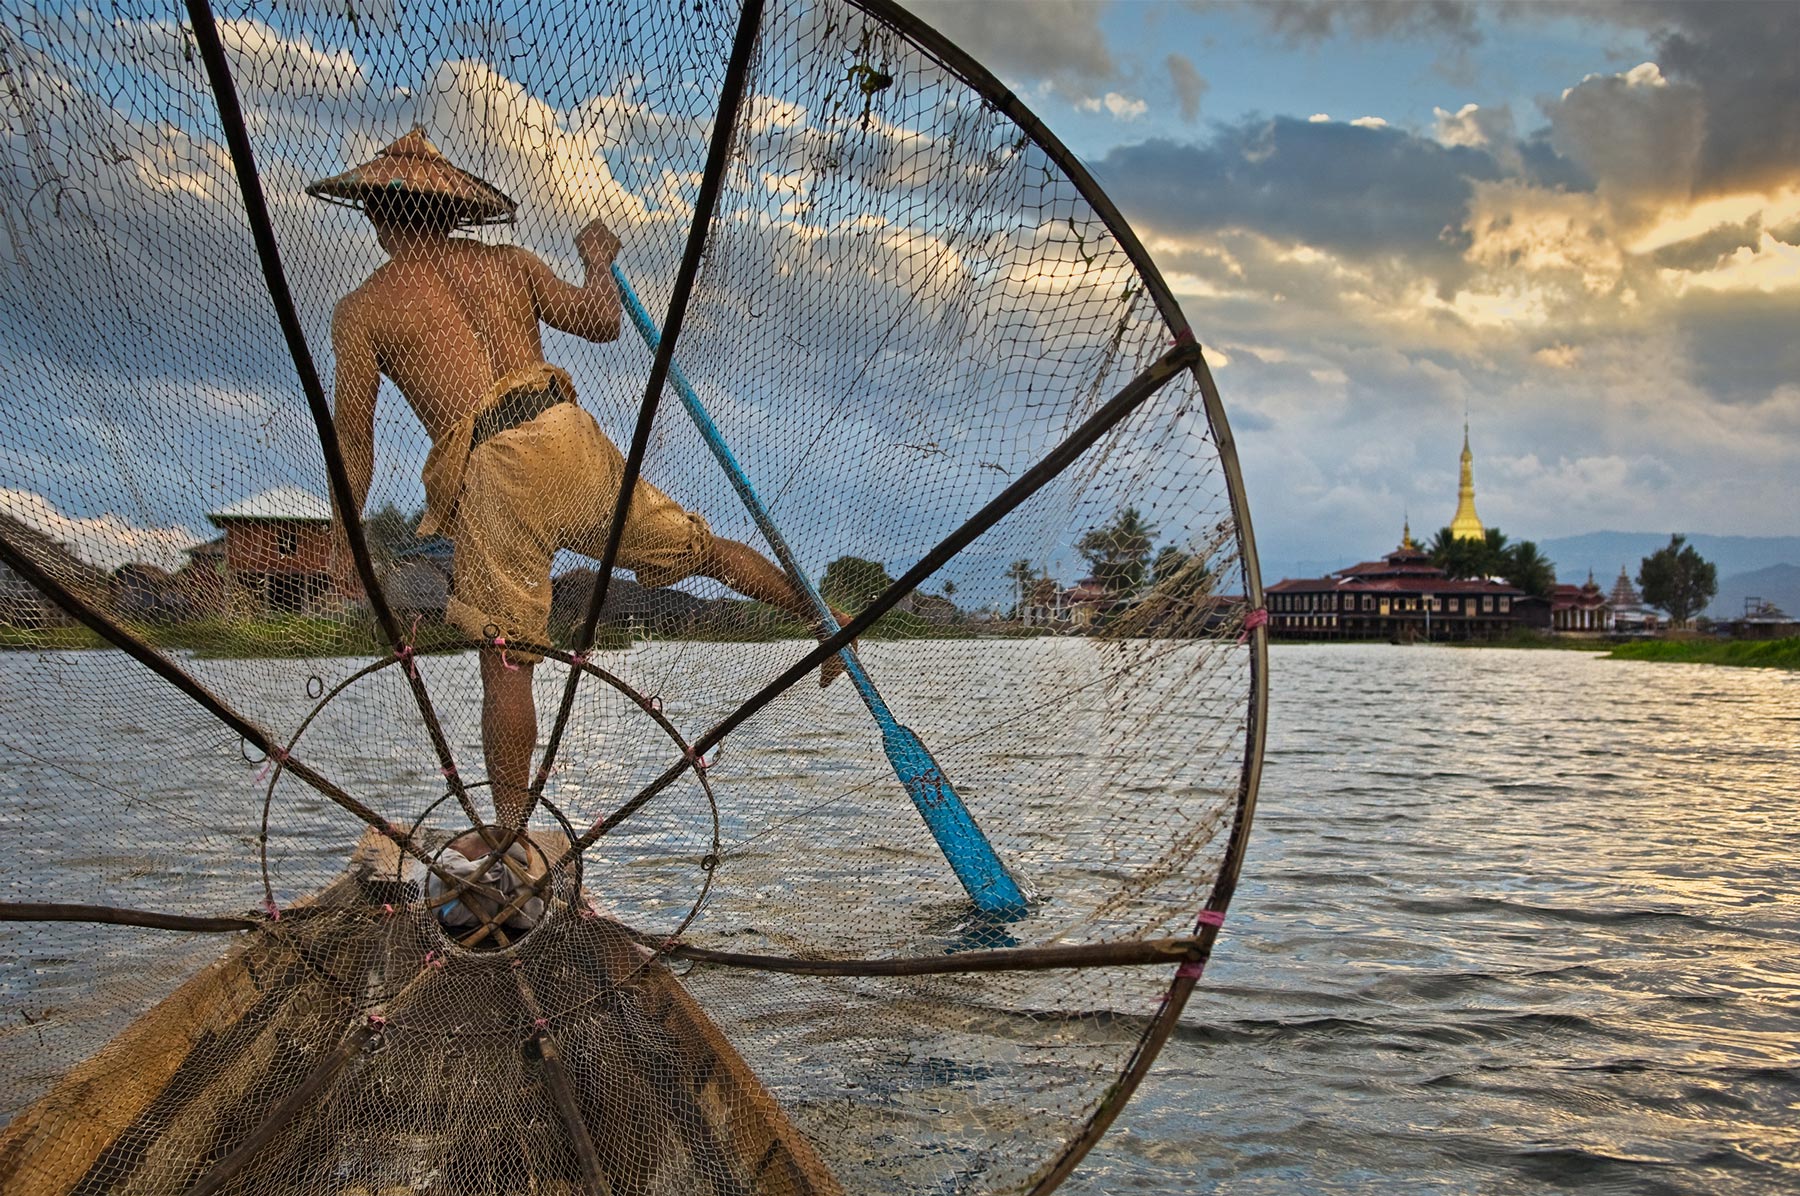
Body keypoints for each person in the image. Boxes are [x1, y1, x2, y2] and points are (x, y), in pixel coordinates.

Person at [312, 130, 844, 831]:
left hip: (495, 468)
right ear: (452, 214)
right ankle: (824, 624)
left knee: (507, 657)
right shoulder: (510, 264)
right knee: (703, 550)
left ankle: (508, 836)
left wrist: (344, 538)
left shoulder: (363, 309)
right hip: (566, 435)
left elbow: (355, 441)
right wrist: (597, 260)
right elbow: (600, 320)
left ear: (378, 219)